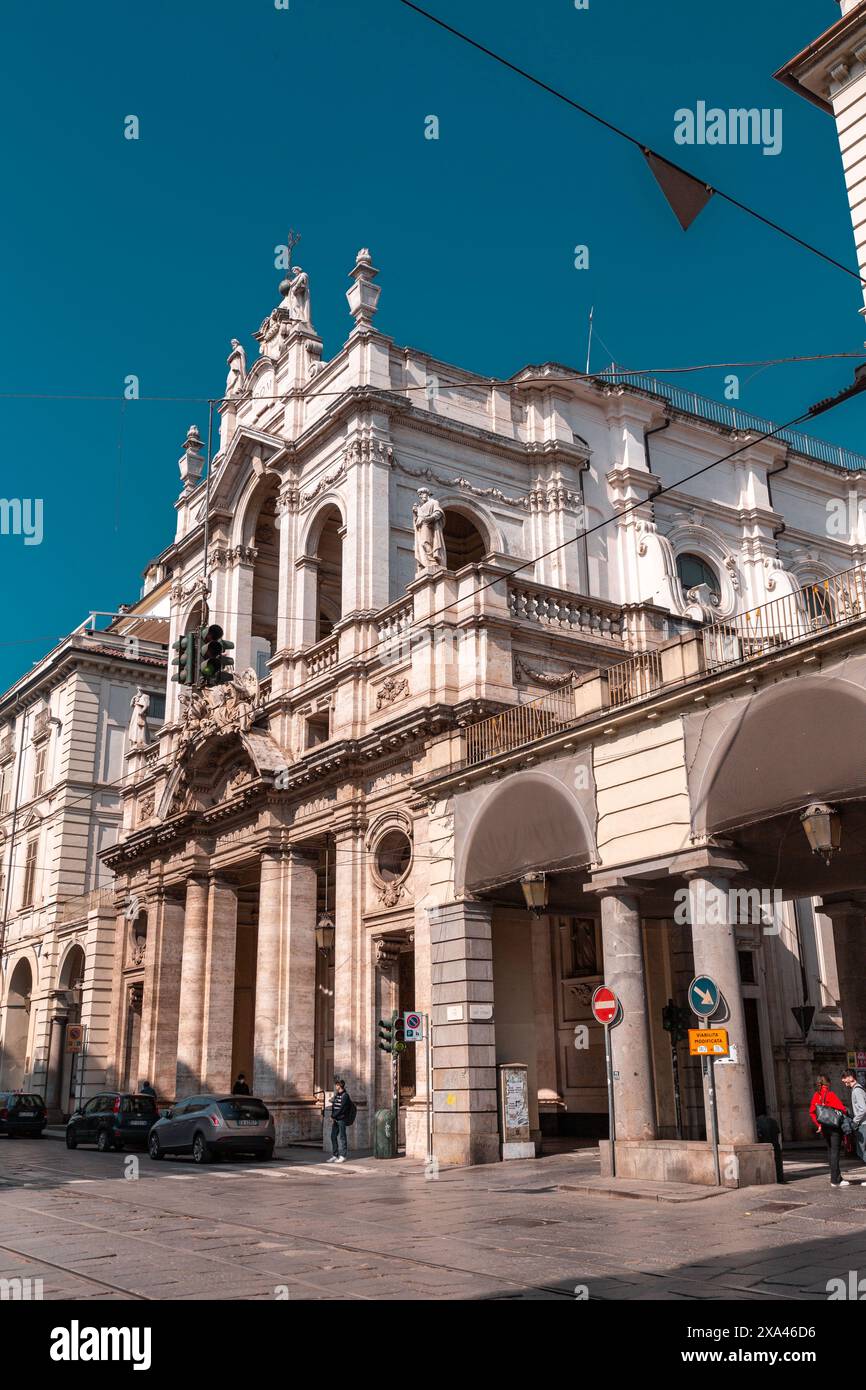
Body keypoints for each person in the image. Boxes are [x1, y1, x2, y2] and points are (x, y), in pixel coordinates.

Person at [809, 1073, 849, 1187]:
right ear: (828, 1083)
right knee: (835, 1153)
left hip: (824, 1128)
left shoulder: (816, 1095)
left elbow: (812, 1112)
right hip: (834, 1127)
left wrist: (819, 1125)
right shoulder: (830, 1094)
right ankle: (835, 1180)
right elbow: (841, 1108)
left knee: (830, 1152)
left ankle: (836, 1177)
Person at [841, 1068, 866, 1166]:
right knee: (861, 1151)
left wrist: (855, 1121)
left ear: (851, 1078)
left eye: (844, 1077)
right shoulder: (857, 1089)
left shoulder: (857, 1090)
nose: (843, 1080)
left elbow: (863, 1109)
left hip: (863, 1124)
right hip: (863, 1123)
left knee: (862, 1151)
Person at [328, 1078, 353, 1164]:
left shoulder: (345, 1096)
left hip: (342, 1119)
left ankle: (343, 1156)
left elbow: (342, 1109)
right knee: (333, 1136)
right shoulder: (337, 1095)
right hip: (336, 1119)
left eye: (337, 1085)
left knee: (342, 1137)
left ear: (340, 1086)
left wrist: (333, 1116)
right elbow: (334, 1107)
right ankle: (335, 1155)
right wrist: (333, 1116)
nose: (336, 1086)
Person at [756, 1111, 784, 1184]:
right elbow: (778, 1134)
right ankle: (779, 1178)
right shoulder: (773, 1121)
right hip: (775, 1144)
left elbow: (759, 1135)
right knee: (777, 1162)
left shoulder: (757, 1122)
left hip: (764, 1145)